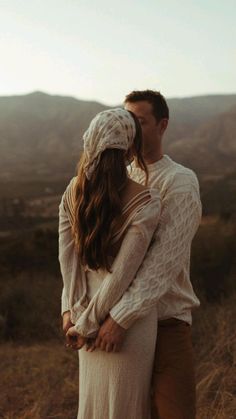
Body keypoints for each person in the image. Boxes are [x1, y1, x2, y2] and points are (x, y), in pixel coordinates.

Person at [87, 90, 202, 419]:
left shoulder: (179, 182)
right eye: (127, 122)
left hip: (165, 322)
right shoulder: (118, 180)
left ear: (162, 125)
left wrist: (119, 320)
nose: (131, 132)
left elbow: (162, 265)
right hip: (113, 323)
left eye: (140, 122)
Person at [58, 108, 162, 419]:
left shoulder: (72, 191)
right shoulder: (147, 200)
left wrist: (73, 312)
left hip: (86, 320)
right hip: (121, 324)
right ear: (130, 147)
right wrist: (86, 320)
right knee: (125, 408)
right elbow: (123, 275)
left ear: (90, 142)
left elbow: (68, 262)